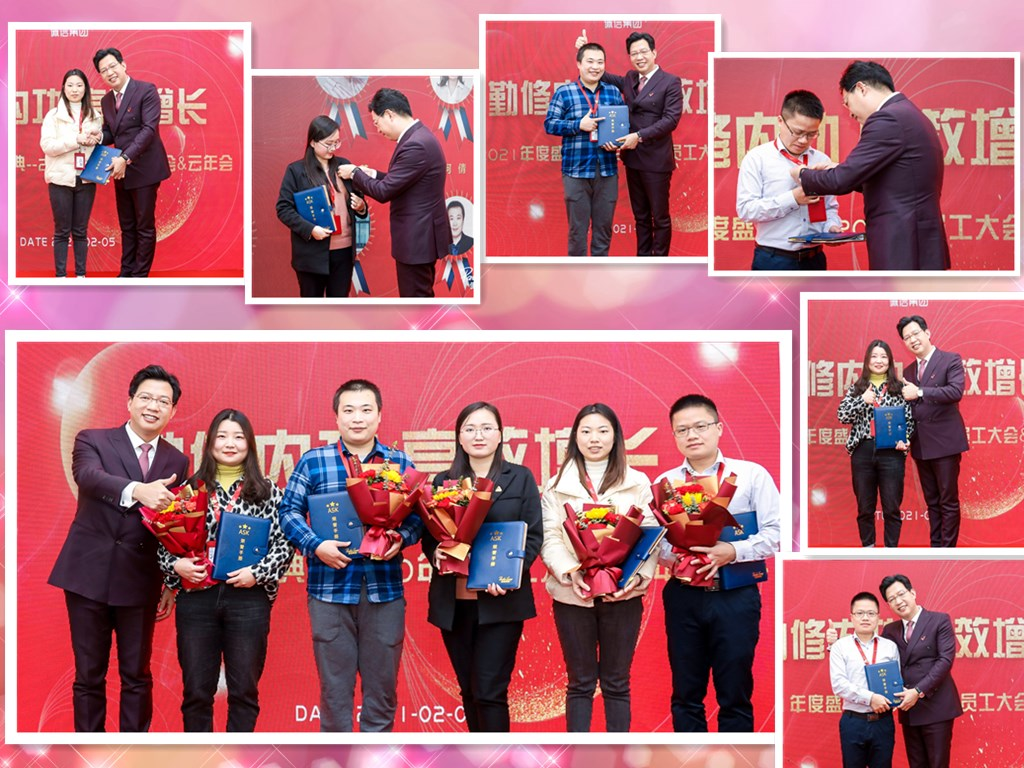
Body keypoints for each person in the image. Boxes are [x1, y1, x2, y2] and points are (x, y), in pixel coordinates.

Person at [47, 365, 189, 732]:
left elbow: (175, 528)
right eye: (146, 397)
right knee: (89, 675)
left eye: (163, 401)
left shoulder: (177, 461)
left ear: (173, 410)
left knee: (137, 675)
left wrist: (171, 581)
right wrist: (138, 491)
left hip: (140, 579)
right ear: (130, 402)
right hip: (87, 574)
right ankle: (89, 749)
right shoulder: (92, 440)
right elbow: (88, 477)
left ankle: (134, 750)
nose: (153, 406)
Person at [278, 379, 423, 731]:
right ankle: (338, 754)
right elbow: (288, 512)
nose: (357, 418)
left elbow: (419, 516)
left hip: (383, 590)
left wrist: (400, 539)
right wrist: (316, 545)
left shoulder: (399, 461)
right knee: (335, 694)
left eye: (366, 410)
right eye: (349, 410)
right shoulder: (313, 461)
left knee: (382, 693)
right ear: (336, 417)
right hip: (329, 591)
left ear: (379, 415)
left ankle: (375, 755)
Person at [157, 409, 293, 731]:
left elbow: (285, 544)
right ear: (209, 443)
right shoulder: (189, 490)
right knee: (196, 692)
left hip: (248, 598)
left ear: (250, 444)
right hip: (196, 599)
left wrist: (257, 573)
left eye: (238, 437)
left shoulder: (269, 491)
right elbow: (163, 543)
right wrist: (176, 566)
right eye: (222, 436)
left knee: (244, 691)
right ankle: (199, 754)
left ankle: (238, 753)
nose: (230, 444)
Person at [656, 394, 780, 732]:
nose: (692, 435)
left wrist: (733, 551)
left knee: (735, 693)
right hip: (684, 596)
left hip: (735, 596)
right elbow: (656, 542)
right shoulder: (665, 484)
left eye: (700, 426)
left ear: (718, 428)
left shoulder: (750, 475)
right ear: (674, 436)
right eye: (682, 430)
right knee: (685, 694)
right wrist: (677, 557)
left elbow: (777, 533)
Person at [422, 402, 542, 732]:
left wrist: (508, 575)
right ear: (459, 437)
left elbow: (533, 537)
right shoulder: (444, 481)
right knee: (470, 690)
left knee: (490, 693)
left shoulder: (520, 477)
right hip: (455, 602)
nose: (479, 435)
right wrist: (438, 554)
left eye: (487, 428)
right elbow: (430, 536)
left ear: (500, 435)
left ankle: (496, 755)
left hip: (501, 601)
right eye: (470, 429)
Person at [540, 403, 656, 732]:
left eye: (603, 431)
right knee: (580, 682)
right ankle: (578, 754)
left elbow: (650, 534)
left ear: (615, 436)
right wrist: (570, 572)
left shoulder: (637, 482)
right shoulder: (556, 484)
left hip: (623, 593)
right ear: (575, 437)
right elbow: (550, 536)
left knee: (617, 683)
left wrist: (636, 577)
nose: (595, 438)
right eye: (586, 431)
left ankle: (618, 754)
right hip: (573, 594)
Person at [795, 61, 950, 270]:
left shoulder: (887, 118)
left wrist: (803, 175)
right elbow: (896, 179)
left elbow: (841, 180)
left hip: (903, 245)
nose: (850, 113)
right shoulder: (910, 113)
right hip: (918, 242)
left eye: (847, 103)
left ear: (861, 88)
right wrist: (837, 169)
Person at [577, 30, 682, 256]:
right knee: (641, 216)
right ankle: (643, 258)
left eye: (643, 51)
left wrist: (639, 136)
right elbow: (602, 75)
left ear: (654, 52)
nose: (639, 57)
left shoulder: (670, 81)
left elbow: (670, 120)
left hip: (656, 160)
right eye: (634, 53)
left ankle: (660, 261)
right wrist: (584, 50)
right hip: (633, 158)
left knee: (659, 217)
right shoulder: (630, 78)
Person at [337, 89, 450, 298]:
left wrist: (354, 173)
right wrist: (372, 174)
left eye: (376, 122)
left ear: (389, 114)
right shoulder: (419, 136)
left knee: (415, 300)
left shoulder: (415, 144)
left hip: (417, 240)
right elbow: (402, 181)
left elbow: (384, 191)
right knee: (418, 296)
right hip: (420, 238)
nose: (377, 129)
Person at [736, 89, 842, 270]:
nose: (803, 140)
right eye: (797, 132)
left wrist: (832, 227)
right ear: (780, 121)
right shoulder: (758, 158)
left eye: (811, 134)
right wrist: (793, 199)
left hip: (814, 259)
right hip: (774, 259)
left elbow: (829, 207)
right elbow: (746, 210)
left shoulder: (821, 160)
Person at [92, 48, 172, 278]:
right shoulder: (107, 100)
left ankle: (139, 277)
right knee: (127, 225)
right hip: (120, 170)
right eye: (104, 70)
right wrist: (98, 137)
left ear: (123, 65)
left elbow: (148, 130)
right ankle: (126, 273)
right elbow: (112, 132)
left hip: (144, 168)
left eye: (112, 66)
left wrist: (125, 158)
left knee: (143, 225)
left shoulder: (146, 90)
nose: (110, 73)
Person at [544, 43, 625, 257]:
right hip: (576, 171)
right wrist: (578, 125)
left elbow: (621, 127)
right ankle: (577, 273)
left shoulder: (613, 92)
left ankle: (599, 273)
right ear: (579, 64)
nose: (595, 67)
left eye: (600, 62)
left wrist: (616, 142)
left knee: (603, 231)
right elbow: (550, 124)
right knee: (577, 232)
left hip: (606, 170)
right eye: (590, 61)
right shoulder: (564, 92)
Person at [276, 115, 368, 298]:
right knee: (312, 307)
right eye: (328, 144)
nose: (333, 148)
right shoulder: (296, 171)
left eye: (336, 142)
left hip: (343, 252)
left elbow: (359, 199)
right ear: (312, 142)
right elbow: (283, 208)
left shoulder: (344, 166)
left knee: (338, 305)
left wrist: (360, 207)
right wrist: (311, 229)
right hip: (311, 254)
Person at [896, 315, 968, 547]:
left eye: (915, 333)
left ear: (927, 333)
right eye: (907, 337)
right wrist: (903, 436)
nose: (912, 340)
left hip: (946, 444)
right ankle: (936, 547)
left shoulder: (950, 359)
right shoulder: (908, 372)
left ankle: (948, 550)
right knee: (932, 502)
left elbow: (955, 392)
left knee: (948, 501)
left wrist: (920, 392)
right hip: (921, 445)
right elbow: (908, 410)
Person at [879, 575, 962, 768]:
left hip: (936, 707)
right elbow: (876, 657)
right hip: (909, 709)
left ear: (913, 593)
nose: (898, 601)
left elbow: (945, 660)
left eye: (901, 594)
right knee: (916, 764)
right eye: (892, 599)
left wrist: (918, 691)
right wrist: (835, 645)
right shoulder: (890, 630)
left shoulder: (939, 620)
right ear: (888, 605)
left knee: (937, 764)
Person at [837, 340, 914, 547]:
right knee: (865, 508)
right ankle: (868, 549)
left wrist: (905, 440)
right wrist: (862, 400)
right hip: (863, 451)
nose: (879, 361)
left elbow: (909, 421)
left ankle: (891, 551)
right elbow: (842, 415)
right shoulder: (857, 388)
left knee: (892, 507)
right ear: (867, 361)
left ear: (890, 361)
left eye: (883, 356)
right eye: (874, 356)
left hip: (892, 452)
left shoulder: (899, 389)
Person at [39, 68, 103, 278]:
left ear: (86, 89)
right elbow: (48, 146)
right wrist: (75, 140)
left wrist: (97, 138)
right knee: (62, 231)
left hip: (86, 179)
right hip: (60, 179)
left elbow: (98, 146)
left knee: (81, 231)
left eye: (79, 85)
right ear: (63, 88)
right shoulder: (53, 116)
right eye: (70, 85)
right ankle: (61, 277)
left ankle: (81, 276)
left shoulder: (94, 116)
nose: (75, 90)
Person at [829, 591, 901, 768]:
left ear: (878, 617)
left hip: (883, 722)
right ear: (852, 617)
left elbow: (896, 682)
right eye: (860, 613)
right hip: (853, 722)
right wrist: (871, 698)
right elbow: (839, 685)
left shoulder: (890, 647)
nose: (865, 618)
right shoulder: (840, 647)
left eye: (871, 613)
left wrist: (899, 696)